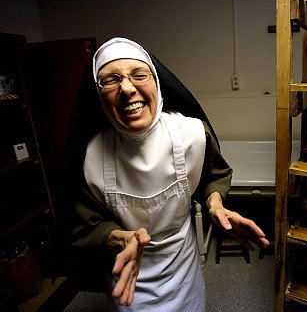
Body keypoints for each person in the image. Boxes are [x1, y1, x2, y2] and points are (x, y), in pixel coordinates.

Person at [64, 37, 269, 311]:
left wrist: (215, 204)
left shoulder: (192, 133)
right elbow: (84, 225)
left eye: (138, 75)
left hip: (182, 265)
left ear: (157, 82)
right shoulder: (89, 157)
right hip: (127, 272)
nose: (127, 88)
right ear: (97, 94)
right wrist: (119, 236)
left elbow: (212, 175)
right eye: (110, 80)